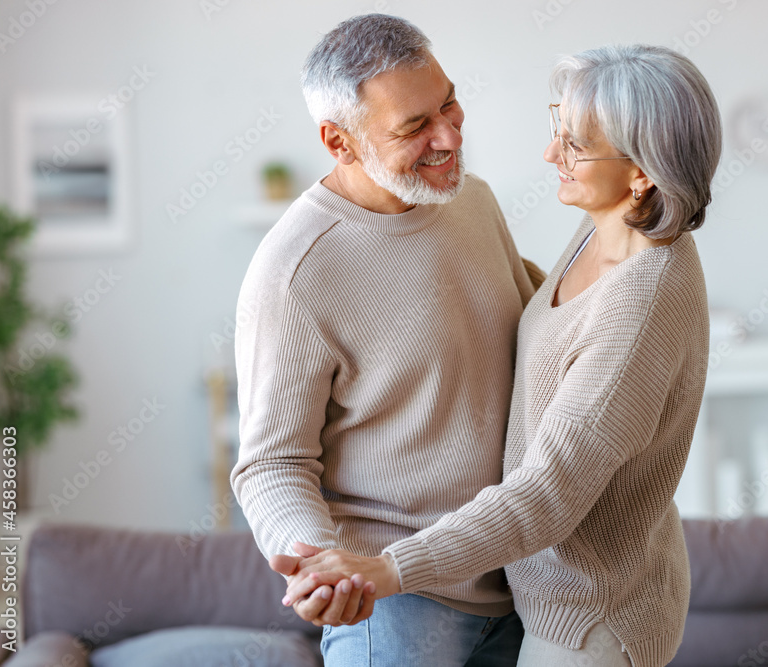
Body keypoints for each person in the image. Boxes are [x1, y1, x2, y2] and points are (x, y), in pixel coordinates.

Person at [281, 44, 723, 667]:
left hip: (589, 619)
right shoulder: (607, 226)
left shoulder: (643, 296)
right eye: (558, 130)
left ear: (643, 171)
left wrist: (387, 569)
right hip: (540, 595)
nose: (551, 155)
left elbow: (549, 492)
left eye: (575, 145)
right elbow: (541, 321)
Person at [231, 13, 543, 667]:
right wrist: (317, 560)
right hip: (398, 608)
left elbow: (542, 322)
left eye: (450, 103)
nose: (450, 136)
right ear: (338, 141)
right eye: (414, 127)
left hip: (525, 587)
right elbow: (271, 462)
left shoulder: (473, 201)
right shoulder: (295, 270)